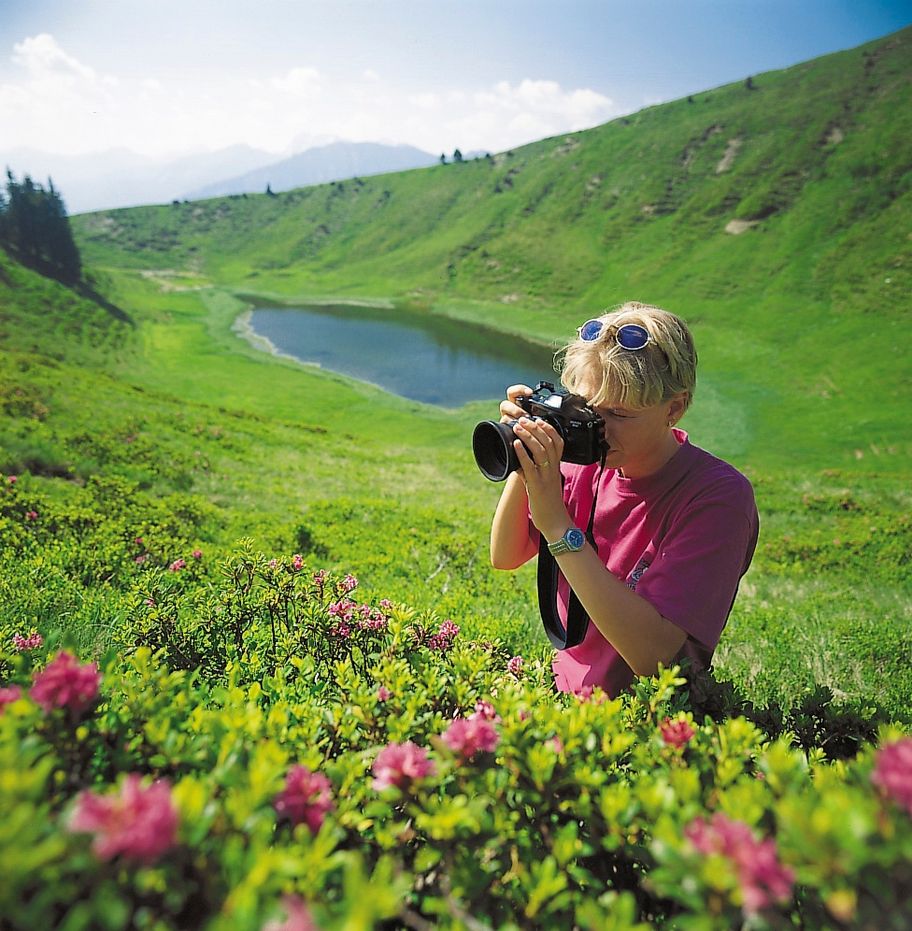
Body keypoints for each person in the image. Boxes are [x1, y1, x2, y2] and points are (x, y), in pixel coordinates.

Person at [489, 301, 759, 696]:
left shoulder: (717, 497)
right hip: (560, 693)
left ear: (675, 408)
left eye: (619, 413)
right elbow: (505, 555)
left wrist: (558, 527)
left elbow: (656, 660)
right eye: (587, 409)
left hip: (642, 718)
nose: (599, 429)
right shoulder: (582, 458)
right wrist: (528, 450)